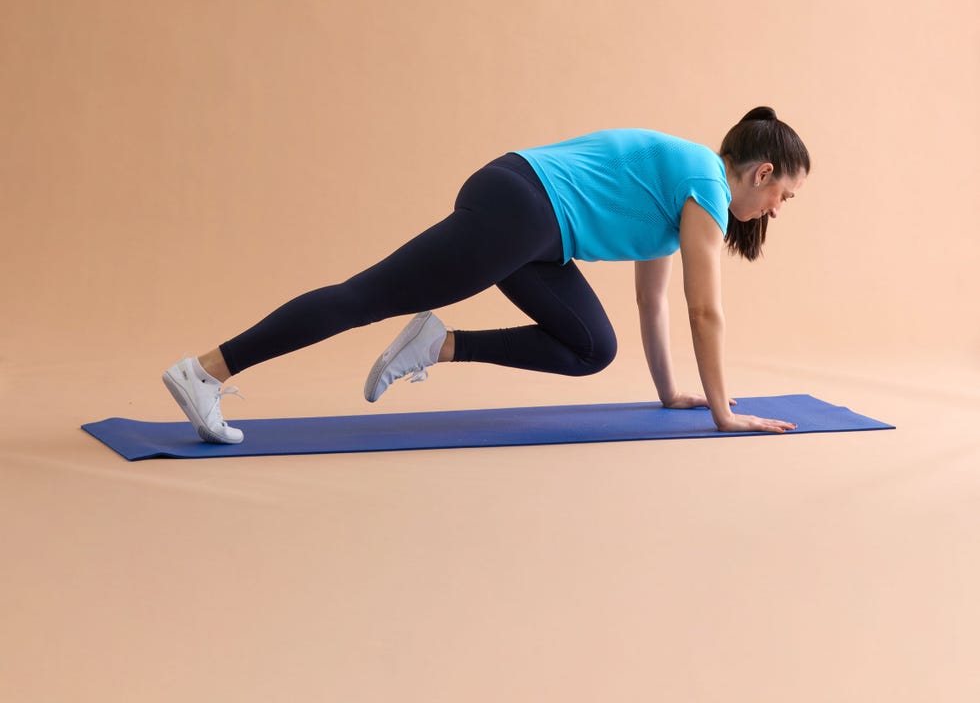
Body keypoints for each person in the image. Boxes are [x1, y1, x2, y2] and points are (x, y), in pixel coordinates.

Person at [162, 106, 809, 445]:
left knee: (592, 347)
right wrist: (725, 413)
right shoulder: (703, 184)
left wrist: (672, 395)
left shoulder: (683, 194)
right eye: (784, 196)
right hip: (522, 207)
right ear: (760, 174)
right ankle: (206, 372)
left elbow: (655, 303)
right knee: (367, 296)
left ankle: (438, 344)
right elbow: (706, 311)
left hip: (538, 228)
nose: (777, 210)